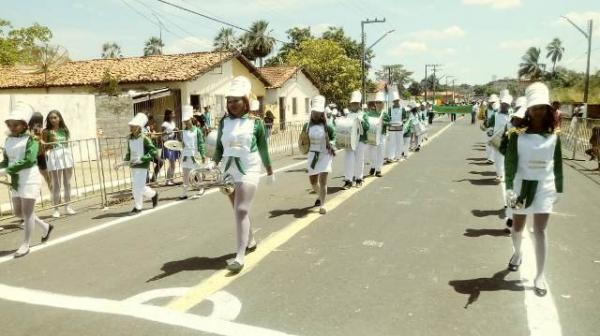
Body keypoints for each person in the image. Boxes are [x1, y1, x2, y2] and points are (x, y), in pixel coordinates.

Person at [504, 82, 563, 297]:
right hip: (522, 186)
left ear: (547, 110)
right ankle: (518, 253)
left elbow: (557, 165)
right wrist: (509, 188)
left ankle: (540, 275)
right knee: (518, 228)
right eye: (534, 107)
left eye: (542, 107)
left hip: (545, 187)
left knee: (540, 231)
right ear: (528, 110)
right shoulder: (515, 135)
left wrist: (560, 189)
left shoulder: (555, 136)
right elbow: (510, 165)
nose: (538, 111)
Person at [213, 76, 274, 274]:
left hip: (249, 168)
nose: (232, 105)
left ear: (245, 101)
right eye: (229, 101)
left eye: (236, 100)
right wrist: (213, 163)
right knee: (239, 209)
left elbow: (263, 148)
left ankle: (240, 256)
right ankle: (250, 240)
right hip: (228, 170)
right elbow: (220, 147)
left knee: (240, 210)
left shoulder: (255, 123)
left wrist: (269, 169)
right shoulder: (224, 122)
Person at [0, 103, 53, 257]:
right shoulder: (8, 140)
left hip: (29, 178)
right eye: (10, 124)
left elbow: (29, 160)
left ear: (24, 124)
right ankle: (45, 226)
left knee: (28, 213)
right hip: (16, 180)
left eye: (16, 124)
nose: (13, 127)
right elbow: (6, 160)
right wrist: (2, 168)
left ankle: (25, 244)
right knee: (18, 212)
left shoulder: (32, 139)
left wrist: (6, 170)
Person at [117, 113, 159, 214]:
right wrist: (123, 162)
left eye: (132, 126)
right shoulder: (130, 138)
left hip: (142, 166)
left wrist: (143, 158)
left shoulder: (144, 138)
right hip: (134, 165)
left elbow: (153, 151)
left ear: (138, 127)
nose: (130, 128)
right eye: (130, 126)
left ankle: (138, 207)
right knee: (140, 186)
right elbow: (129, 153)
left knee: (136, 187)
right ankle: (153, 194)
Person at [304, 95, 336, 213]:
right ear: (311, 112)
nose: (316, 114)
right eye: (314, 112)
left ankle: (323, 204)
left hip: (325, 155)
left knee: (323, 181)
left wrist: (332, 144)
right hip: (313, 156)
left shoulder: (328, 126)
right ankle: (319, 195)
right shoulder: (306, 126)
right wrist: (303, 146)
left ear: (322, 113)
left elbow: (334, 138)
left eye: (318, 112)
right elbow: (303, 141)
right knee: (313, 183)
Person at [43, 110, 76, 218]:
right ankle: (56, 209)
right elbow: (44, 147)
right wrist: (49, 143)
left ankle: (68, 206)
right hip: (54, 156)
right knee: (56, 184)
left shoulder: (64, 130)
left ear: (59, 118)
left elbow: (66, 143)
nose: (52, 120)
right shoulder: (46, 131)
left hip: (65, 155)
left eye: (55, 117)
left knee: (67, 183)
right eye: (50, 118)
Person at [342, 91, 369, 189]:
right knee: (348, 160)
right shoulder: (348, 115)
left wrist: (362, 122)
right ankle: (348, 180)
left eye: (356, 103)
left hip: (360, 140)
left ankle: (359, 179)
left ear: (359, 104)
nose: (354, 105)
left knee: (359, 160)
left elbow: (367, 127)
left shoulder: (363, 114)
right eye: (353, 103)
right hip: (349, 141)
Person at [179, 105, 206, 200]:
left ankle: (201, 188)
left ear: (191, 119)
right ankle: (184, 192)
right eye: (184, 121)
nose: (186, 123)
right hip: (186, 155)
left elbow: (201, 143)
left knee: (197, 173)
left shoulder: (197, 130)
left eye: (187, 121)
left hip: (195, 154)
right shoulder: (183, 131)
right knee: (185, 174)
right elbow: (182, 144)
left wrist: (203, 154)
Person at [366, 91, 390, 177]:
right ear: (375, 103)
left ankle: (378, 170)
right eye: (377, 102)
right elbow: (366, 121)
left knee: (380, 152)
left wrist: (383, 122)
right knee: (371, 152)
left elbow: (389, 123)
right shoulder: (370, 112)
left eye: (380, 102)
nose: (379, 104)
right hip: (372, 134)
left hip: (382, 134)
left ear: (383, 103)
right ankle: (373, 166)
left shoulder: (385, 113)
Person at [29, 111, 51, 190]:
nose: (37, 124)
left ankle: (56, 197)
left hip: (41, 155)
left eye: (39, 121)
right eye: (35, 121)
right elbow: (32, 137)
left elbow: (42, 140)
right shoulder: (28, 129)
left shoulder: (41, 129)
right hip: (32, 157)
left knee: (48, 178)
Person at [161, 109, 180, 186]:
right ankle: (168, 180)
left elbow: (174, 132)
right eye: (172, 113)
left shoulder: (173, 123)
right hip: (168, 143)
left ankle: (170, 179)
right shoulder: (164, 124)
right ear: (169, 114)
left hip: (173, 142)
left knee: (173, 163)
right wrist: (171, 132)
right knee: (172, 162)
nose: (174, 114)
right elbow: (162, 135)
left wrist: (176, 131)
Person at [385, 90, 405, 163]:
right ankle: (391, 157)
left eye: (397, 101)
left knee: (399, 142)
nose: (396, 102)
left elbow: (404, 118)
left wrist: (403, 124)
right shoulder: (390, 109)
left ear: (399, 101)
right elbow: (388, 118)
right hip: (392, 127)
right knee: (391, 143)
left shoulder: (402, 109)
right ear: (393, 101)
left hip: (399, 127)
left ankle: (398, 157)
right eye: (395, 101)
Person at [144, 114, 164, 183]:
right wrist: (158, 134)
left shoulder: (148, 127)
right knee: (146, 168)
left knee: (160, 162)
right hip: (145, 151)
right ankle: (147, 182)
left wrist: (155, 134)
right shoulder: (142, 128)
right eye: (150, 120)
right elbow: (149, 137)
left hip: (150, 150)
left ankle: (153, 178)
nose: (151, 122)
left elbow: (152, 135)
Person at [484, 94, 500, 164]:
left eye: (493, 102)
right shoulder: (487, 110)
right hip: (489, 128)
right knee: (488, 144)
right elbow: (486, 119)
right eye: (491, 102)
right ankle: (490, 158)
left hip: (498, 129)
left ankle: (492, 158)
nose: (492, 103)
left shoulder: (500, 109)